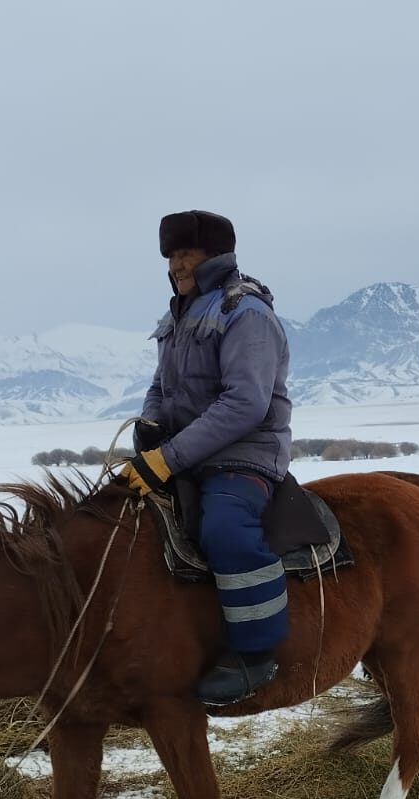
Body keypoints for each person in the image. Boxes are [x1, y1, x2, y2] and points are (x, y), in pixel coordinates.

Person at [121, 209, 292, 707]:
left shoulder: (247, 314)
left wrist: (169, 458)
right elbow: (161, 387)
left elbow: (246, 403)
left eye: (186, 253)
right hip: (187, 452)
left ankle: (255, 652)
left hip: (244, 454)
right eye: (171, 255)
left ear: (216, 255)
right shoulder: (178, 316)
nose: (176, 264)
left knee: (224, 527)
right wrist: (151, 430)